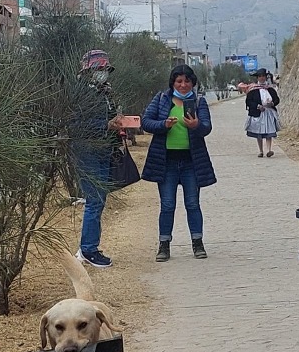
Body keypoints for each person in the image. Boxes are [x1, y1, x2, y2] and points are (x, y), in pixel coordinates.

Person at [141, 64, 216, 261]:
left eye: (187, 81)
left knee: (192, 204)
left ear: (193, 83)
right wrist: (163, 125)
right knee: (167, 205)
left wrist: (196, 125)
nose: (183, 85)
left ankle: (197, 243)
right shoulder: (161, 99)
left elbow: (207, 128)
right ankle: (164, 245)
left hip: (192, 162)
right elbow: (145, 122)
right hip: (166, 163)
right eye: (179, 81)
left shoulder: (199, 102)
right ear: (173, 82)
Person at [73, 49, 124, 268]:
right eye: (99, 69)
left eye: (105, 69)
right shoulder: (81, 94)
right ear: (89, 71)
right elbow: (76, 126)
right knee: (94, 201)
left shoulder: (105, 92)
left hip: (103, 150)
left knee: (99, 200)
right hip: (87, 152)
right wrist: (106, 125)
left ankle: (89, 246)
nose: (103, 72)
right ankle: (88, 250)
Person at [244, 68, 280, 158]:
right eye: (260, 76)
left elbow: (277, 99)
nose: (262, 78)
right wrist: (258, 106)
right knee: (258, 133)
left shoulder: (270, 89)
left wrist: (272, 103)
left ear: (266, 77)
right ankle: (260, 151)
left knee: (269, 132)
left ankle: (269, 150)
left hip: (269, 113)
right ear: (257, 78)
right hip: (258, 113)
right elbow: (249, 101)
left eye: (263, 76)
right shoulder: (253, 90)